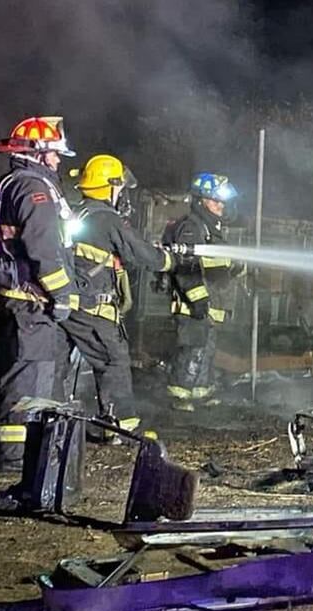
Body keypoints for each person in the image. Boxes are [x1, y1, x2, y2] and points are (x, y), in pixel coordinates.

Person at [63, 154, 185, 433]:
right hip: (91, 305)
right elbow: (141, 253)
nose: (122, 194)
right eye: (119, 187)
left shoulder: (78, 213)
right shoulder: (107, 218)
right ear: (109, 186)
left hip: (69, 303)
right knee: (113, 360)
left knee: (63, 364)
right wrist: (169, 260)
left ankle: (57, 422)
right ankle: (121, 426)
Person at [0, 116, 79, 472]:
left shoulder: (14, 183)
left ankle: (8, 452)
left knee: (17, 375)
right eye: (53, 154)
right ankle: (15, 459)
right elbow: (43, 247)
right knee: (29, 379)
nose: (57, 161)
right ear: (37, 154)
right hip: (30, 301)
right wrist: (62, 293)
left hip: (17, 297)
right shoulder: (33, 188)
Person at [162, 172, 241, 412]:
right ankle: (180, 395)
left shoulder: (211, 228)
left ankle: (200, 392)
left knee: (206, 350)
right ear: (201, 200)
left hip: (210, 305)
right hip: (193, 305)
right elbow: (185, 267)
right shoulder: (192, 227)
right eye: (215, 200)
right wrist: (197, 299)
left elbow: (216, 263)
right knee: (192, 350)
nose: (220, 206)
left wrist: (235, 266)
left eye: (222, 201)